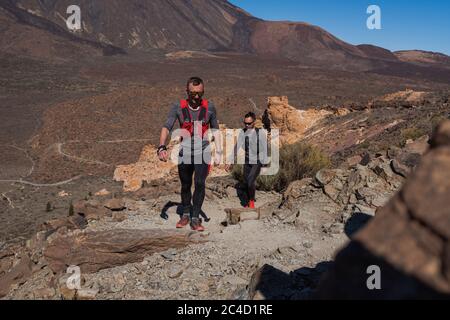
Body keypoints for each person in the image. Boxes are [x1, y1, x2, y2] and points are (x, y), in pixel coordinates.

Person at [157, 77, 221, 232]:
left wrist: (218, 151)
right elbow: (167, 127)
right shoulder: (178, 107)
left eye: (200, 93)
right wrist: (161, 147)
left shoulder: (210, 107)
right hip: (185, 152)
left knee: (200, 183)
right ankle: (185, 213)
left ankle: (195, 217)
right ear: (187, 92)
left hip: (203, 152)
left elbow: (216, 130)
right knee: (186, 184)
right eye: (193, 94)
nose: (197, 97)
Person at [228, 112, 268, 209]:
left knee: (250, 181)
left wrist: (264, 162)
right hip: (247, 160)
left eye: (249, 123)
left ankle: (251, 201)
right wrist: (231, 160)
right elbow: (237, 145)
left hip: (257, 160)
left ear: (254, 122)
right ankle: (247, 200)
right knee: (246, 182)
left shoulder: (260, 133)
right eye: (245, 123)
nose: (247, 125)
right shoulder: (243, 132)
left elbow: (265, 147)